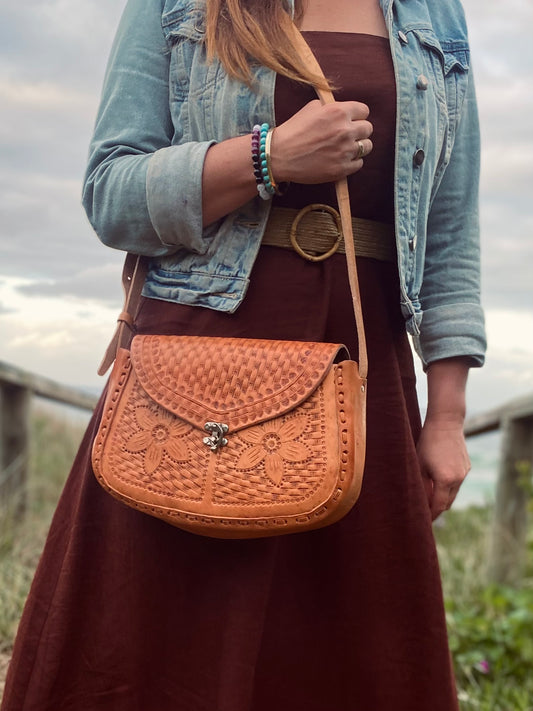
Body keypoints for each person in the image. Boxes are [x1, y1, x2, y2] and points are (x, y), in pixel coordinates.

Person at [1, 0, 486, 708]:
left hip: (359, 380)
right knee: (152, 655)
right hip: (191, 374)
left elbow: (449, 230)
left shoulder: (434, 13)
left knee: (343, 659)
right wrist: (267, 157)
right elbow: (110, 191)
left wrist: (445, 414)